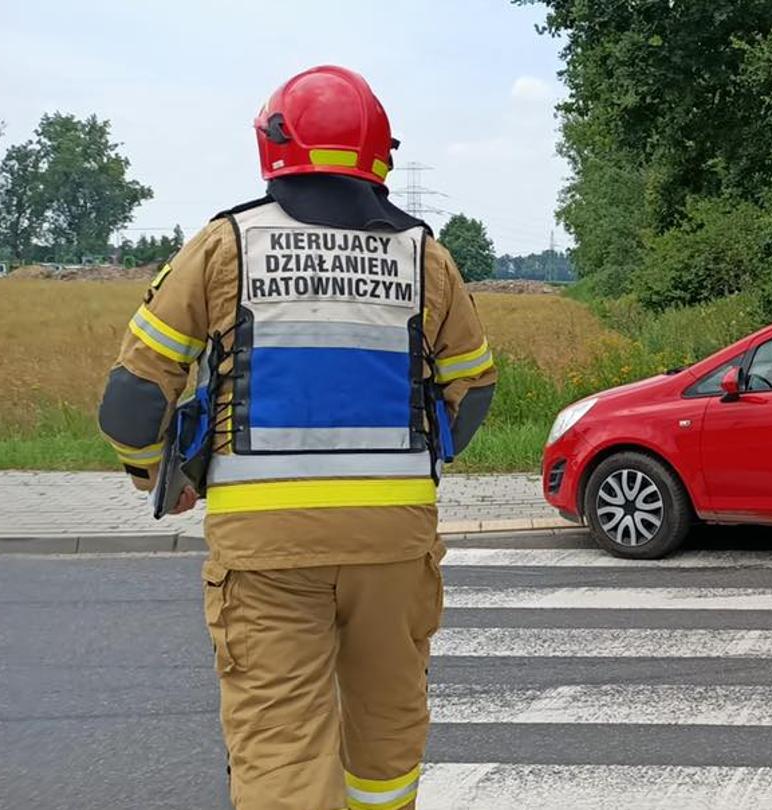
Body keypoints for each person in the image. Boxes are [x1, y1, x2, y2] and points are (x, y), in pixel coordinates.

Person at [96, 65, 496, 810]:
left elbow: (133, 398)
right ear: (379, 154)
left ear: (274, 146)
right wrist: (415, 464)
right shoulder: (425, 256)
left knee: (281, 745)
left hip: (265, 548)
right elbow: (472, 391)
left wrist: (159, 475)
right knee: (386, 736)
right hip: (394, 543)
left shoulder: (225, 245)